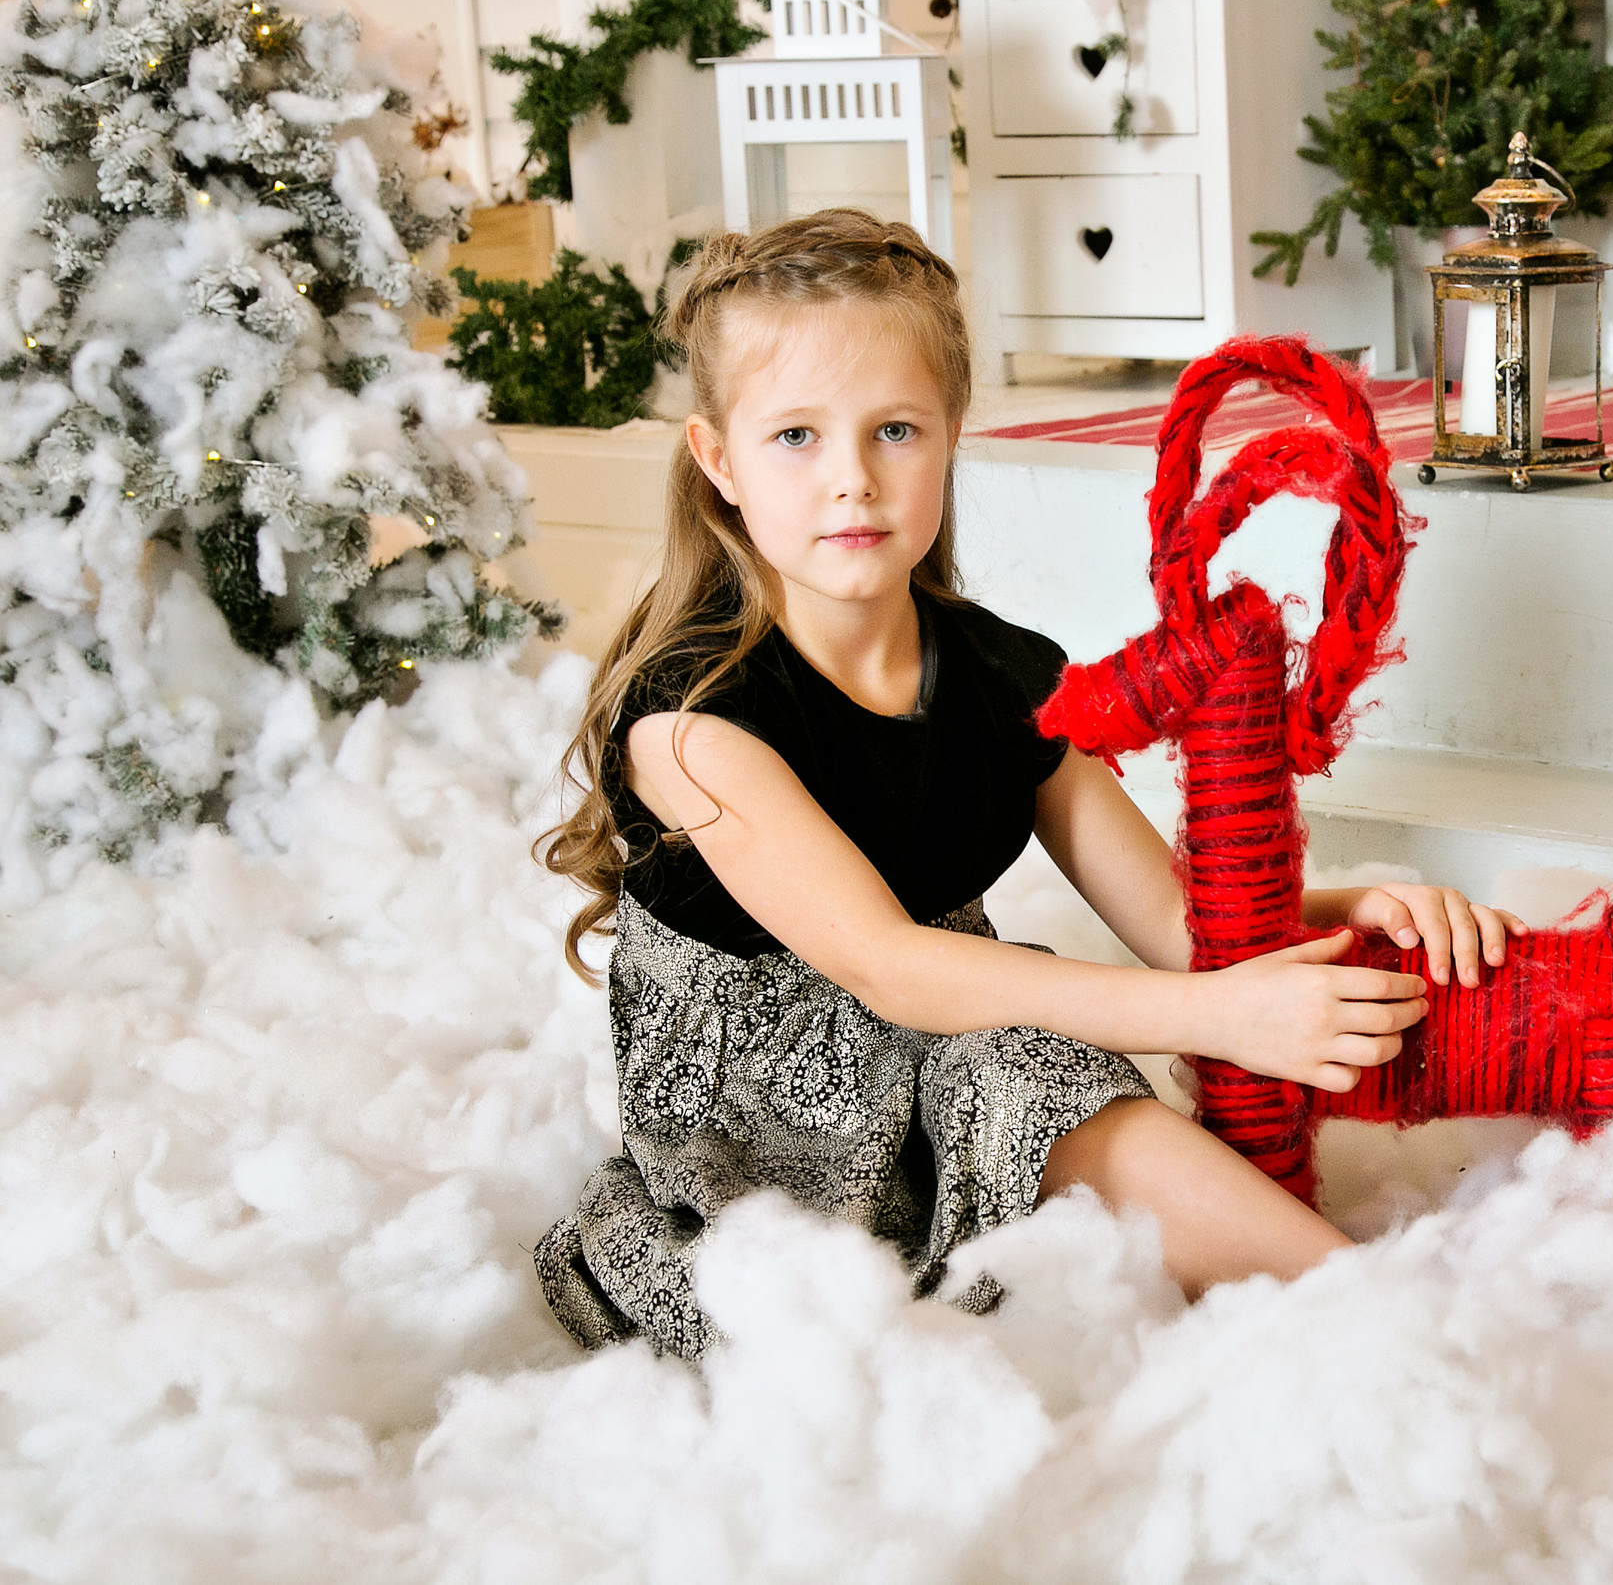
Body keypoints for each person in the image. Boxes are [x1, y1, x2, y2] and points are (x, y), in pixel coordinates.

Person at [532, 208, 1523, 1359]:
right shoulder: (695, 720)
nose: (851, 480)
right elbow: (888, 965)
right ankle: (1363, 1308)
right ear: (719, 463)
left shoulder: (1002, 676)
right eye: (795, 436)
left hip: (948, 1028)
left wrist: (1341, 914)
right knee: (1020, 1056)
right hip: (761, 1121)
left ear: (951, 435)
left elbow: (1171, 923)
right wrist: (1216, 1019)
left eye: (893, 429)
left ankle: (1376, 1307)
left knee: (1040, 1069)